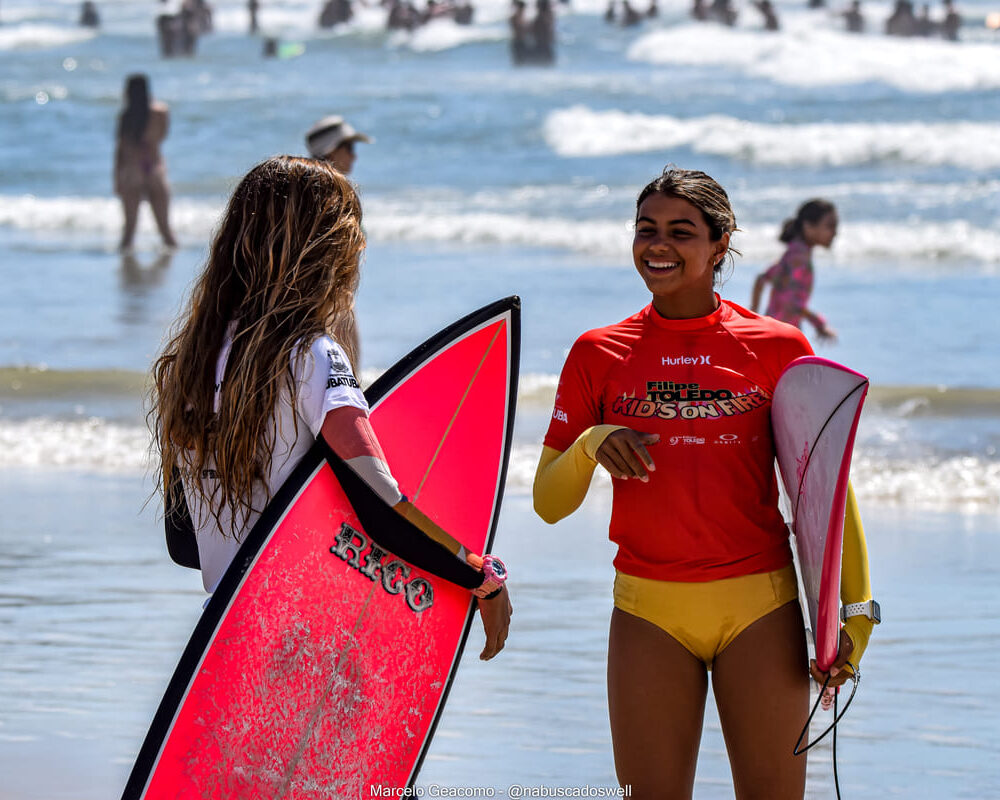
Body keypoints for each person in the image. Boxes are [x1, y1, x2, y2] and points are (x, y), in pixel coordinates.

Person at [533, 167, 878, 797]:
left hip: (760, 607)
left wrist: (853, 615)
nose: (658, 245)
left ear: (721, 245)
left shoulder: (777, 347)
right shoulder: (598, 352)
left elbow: (825, 490)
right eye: (646, 230)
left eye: (680, 231)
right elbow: (549, 501)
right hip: (648, 611)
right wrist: (591, 443)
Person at [150, 156, 512, 660]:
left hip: (231, 637)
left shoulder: (185, 366)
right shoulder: (311, 356)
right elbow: (379, 504)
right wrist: (479, 578)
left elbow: (184, 542)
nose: (360, 248)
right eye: (353, 232)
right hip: (312, 636)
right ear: (327, 249)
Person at [750, 198, 838, 340]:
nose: (835, 232)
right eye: (830, 226)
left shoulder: (794, 252)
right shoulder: (799, 257)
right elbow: (793, 302)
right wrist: (819, 324)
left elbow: (762, 278)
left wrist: (753, 315)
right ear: (808, 226)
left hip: (772, 329)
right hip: (781, 335)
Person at [113, 74, 177, 252]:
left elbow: (120, 150)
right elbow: (162, 137)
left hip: (132, 170)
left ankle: (125, 270)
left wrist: (117, 179)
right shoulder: (160, 112)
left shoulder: (126, 116)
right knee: (166, 232)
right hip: (154, 168)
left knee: (128, 232)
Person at [305, 115, 372, 175]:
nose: (354, 156)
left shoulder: (305, 185)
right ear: (331, 151)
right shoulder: (330, 188)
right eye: (349, 148)